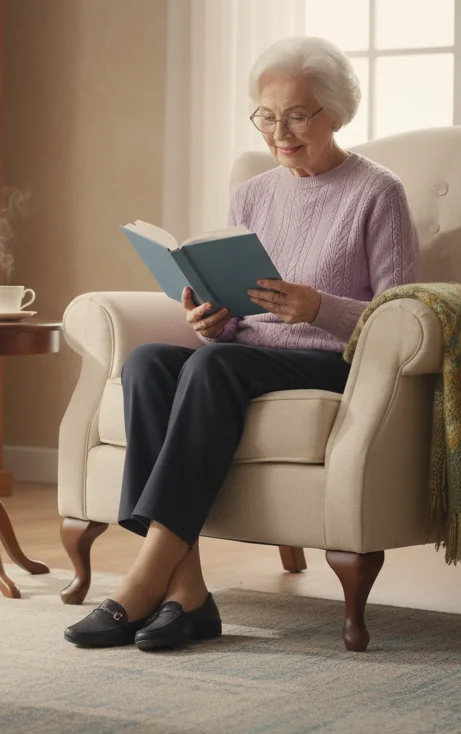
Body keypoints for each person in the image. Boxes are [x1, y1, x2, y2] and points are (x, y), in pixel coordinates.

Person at [64, 36, 421, 651]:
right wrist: (211, 319)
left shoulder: (377, 192)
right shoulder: (253, 193)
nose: (278, 131)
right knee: (151, 361)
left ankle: (144, 578)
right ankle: (189, 592)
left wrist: (319, 306)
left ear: (336, 112)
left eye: (296, 115)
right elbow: (236, 323)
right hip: (245, 357)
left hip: (332, 364)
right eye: (266, 115)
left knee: (215, 367)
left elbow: (405, 317)